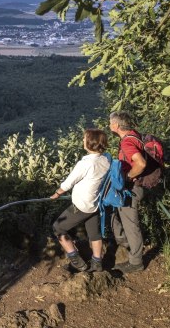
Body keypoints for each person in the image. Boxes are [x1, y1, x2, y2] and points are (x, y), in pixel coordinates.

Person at [50, 128, 110, 273]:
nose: (83, 140)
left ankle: (77, 261)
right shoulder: (106, 159)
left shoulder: (86, 163)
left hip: (82, 205)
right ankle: (97, 263)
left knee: (58, 227)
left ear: (90, 142)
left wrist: (57, 193)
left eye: (84, 138)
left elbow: (69, 183)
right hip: (95, 203)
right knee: (94, 233)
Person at [109, 111, 146, 273]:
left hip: (132, 187)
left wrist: (129, 177)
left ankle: (136, 262)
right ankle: (123, 240)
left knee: (131, 225)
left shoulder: (127, 143)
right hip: (136, 186)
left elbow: (141, 163)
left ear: (116, 125)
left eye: (110, 122)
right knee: (118, 214)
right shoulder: (134, 136)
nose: (109, 125)